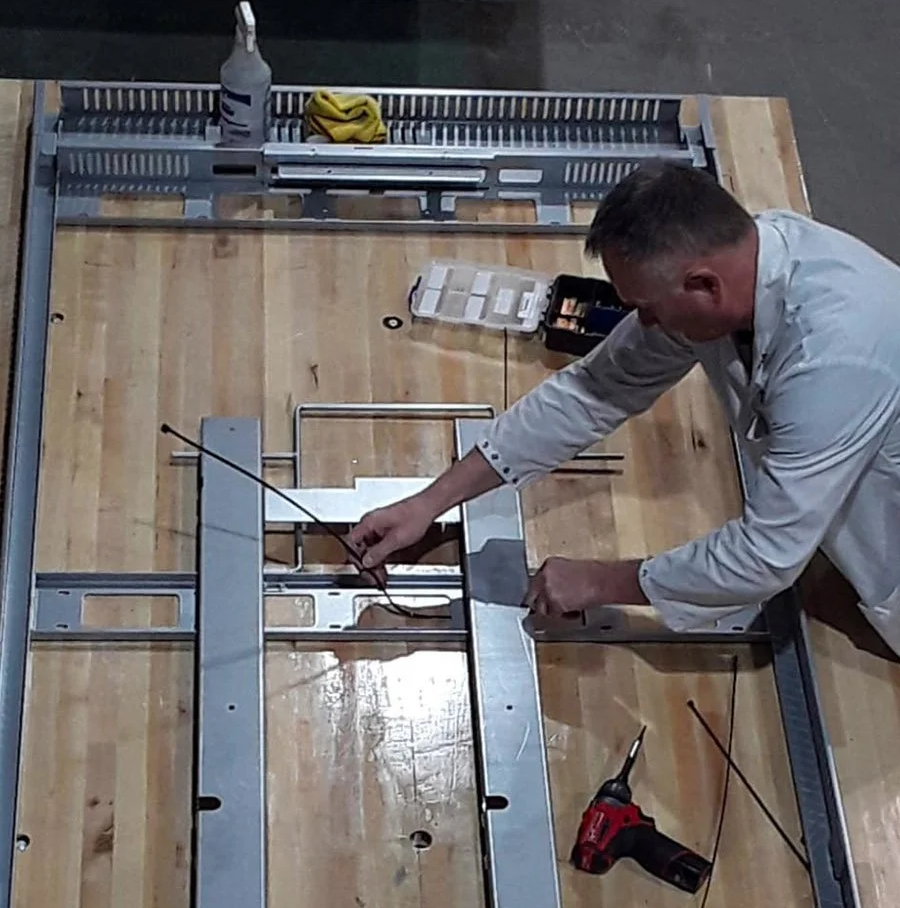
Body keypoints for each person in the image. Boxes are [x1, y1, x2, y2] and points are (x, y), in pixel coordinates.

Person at [349, 162, 900, 654]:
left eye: (647, 309)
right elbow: (596, 389)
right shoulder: (736, 262)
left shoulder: (834, 359)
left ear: (704, 285)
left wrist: (604, 581)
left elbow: (766, 554)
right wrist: (431, 501)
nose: (648, 325)